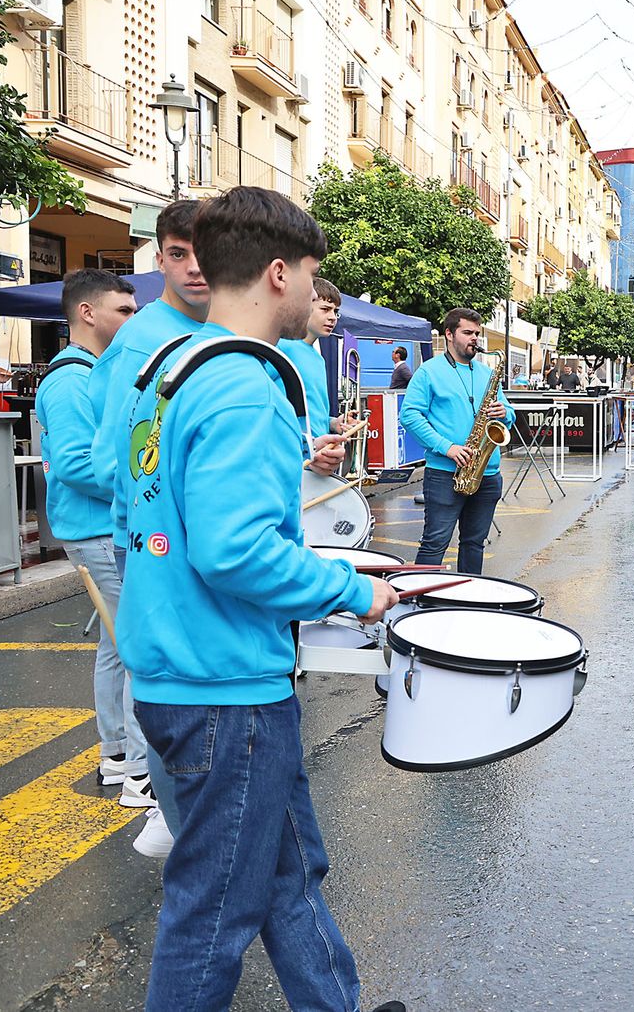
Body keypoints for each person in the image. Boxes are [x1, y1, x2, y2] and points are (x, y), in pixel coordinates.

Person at [114, 186, 404, 1012]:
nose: (318, 295)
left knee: (287, 872)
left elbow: (127, 502)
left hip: (185, 669)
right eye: (313, 276)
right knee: (213, 913)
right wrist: (354, 590)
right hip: (225, 691)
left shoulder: (165, 370)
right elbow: (237, 551)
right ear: (279, 272)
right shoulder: (244, 387)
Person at [88, 199, 210, 852]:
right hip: (153, 536)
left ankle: (184, 795)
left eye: (203, 252)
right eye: (177, 253)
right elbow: (109, 455)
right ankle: (160, 797)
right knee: (161, 668)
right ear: (157, 257)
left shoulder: (221, 328)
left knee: (198, 671)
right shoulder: (143, 336)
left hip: (201, 535)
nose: (193, 268)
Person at [35, 271, 146, 812]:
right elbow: (80, 465)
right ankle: (136, 772)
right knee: (135, 649)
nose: (133, 319)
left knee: (117, 648)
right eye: (123, 310)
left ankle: (118, 755)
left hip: (97, 529)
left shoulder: (88, 375)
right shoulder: (71, 381)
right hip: (98, 530)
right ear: (87, 313)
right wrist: (146, 483)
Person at [399, 308, 515, 575]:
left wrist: (504, 413)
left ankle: (469, 601)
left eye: (477, 333)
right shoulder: (429, 372)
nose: (474, 338)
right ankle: (420, 603)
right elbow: (410, 415)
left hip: (487, 473)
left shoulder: (487, 373)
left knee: (474, 544)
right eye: (467, 333)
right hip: (445, 472)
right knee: (435, 543)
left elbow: (508, 414)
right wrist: (446, 447)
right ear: (449, 335)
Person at [277, 277, 353, 477]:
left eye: (336, 312)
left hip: (319, 462)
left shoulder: (317, 358)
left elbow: (308, 410)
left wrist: (332, 423)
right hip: (293, 465)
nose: (333, 318)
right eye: (325, 309)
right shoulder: (282, 348)